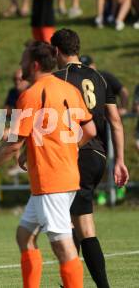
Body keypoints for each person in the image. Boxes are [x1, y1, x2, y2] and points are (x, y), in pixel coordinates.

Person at [0, 40, 97, 288]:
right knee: (24, 236)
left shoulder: (31, 94)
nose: (20, 67)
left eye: (22, 61)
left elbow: (12, 145)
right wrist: (66, 149)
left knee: (62, 246)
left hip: (51, 180)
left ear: (33, 64)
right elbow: (90, 130)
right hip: (64, 175)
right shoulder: (68, 89)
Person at [51, 29, 129, 288]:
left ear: (56, 51)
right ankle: (69, 284)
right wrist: (119, 160)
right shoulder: (98, 77)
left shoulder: (56, 79)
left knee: (83, 227)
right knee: (73, 221)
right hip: (97, 156)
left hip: (75, 156)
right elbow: (116, 122)